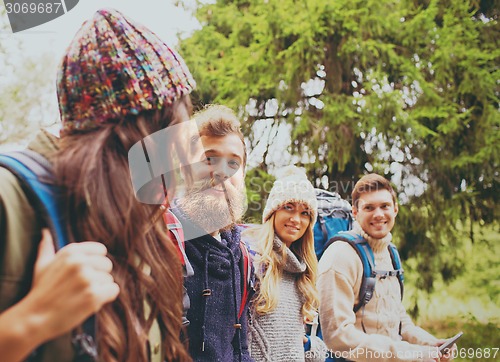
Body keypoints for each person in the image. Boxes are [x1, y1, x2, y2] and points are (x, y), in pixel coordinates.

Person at [0, 8, 195, 362]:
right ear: (135, 137)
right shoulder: (10, 201)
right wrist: (31, 321)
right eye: (177, 125)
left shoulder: (139, 217)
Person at [317, 173, 456, 362]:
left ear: (395, 210)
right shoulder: (340, 256)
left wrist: (430, 343)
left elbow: (397, 318)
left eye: (385, 206)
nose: (379, 214)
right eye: (369, 207)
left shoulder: (390, 252)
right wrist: (409, 353)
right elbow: (338, 336)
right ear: (355, 213)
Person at [170, 105, 253, 361]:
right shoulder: (159, 243)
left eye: (233, 163)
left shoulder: (241, 256)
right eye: (209, 158)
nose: (221, 171)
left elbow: (240, 346)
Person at [243, 166, 327, 362]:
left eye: (305, 213)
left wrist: (308, 345)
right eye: (288, 207)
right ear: (273, 212)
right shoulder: (251, 258)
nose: (296, 219)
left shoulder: (303, 271)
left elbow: (297, 341)